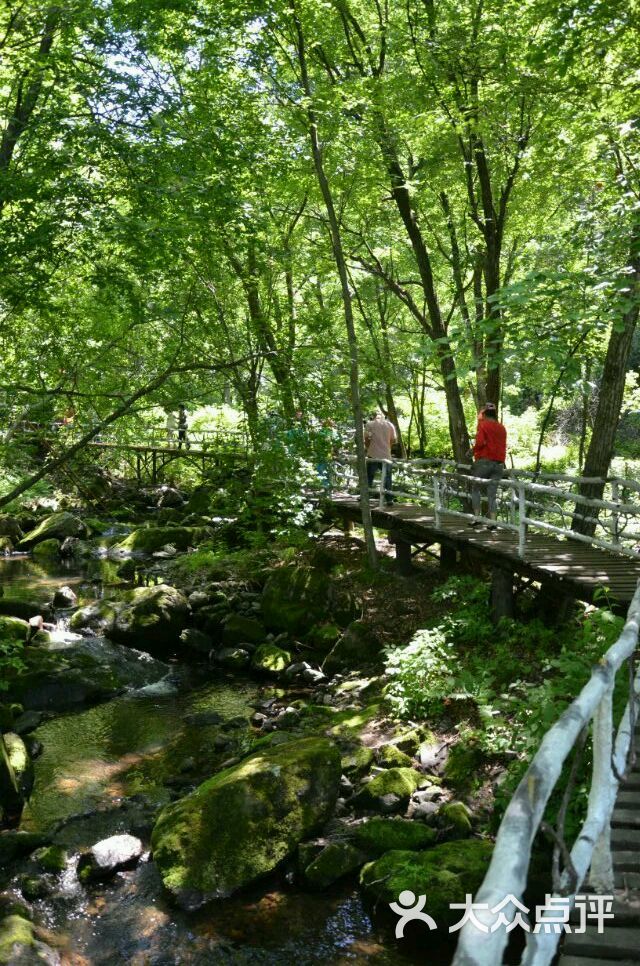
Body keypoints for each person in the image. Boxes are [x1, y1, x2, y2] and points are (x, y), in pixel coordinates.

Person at [470, 402, 507, 530]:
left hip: (485, 461)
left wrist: (472, 450)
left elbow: (480, 442)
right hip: (499, 464)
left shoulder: (483, 425)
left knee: (475, 488)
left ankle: (477, 518)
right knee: (492, 493)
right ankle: (493, 522)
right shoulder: (502, 427)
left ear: (484, 414)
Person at [364, 410, 397, 504]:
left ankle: (365, 496)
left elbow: (366, 438)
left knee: (369, 477)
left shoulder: (370, 424)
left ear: (373, 417)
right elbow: (393, 440)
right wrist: (388, 447)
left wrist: (368, 448)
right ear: (383, 416)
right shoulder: (390, 425)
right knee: (387, 477)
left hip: (373, 454)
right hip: (386, 455)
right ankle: (389, 499)